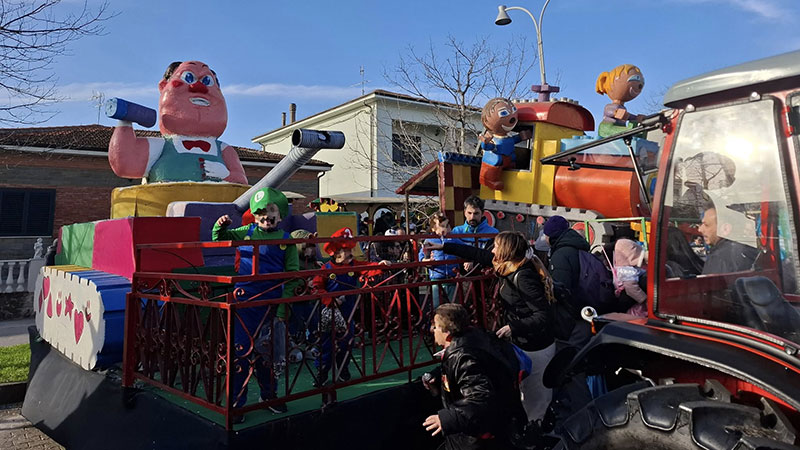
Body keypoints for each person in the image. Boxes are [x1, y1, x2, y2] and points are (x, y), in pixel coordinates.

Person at [424, 231, 556, 424]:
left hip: (536, 345)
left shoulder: (524, 276)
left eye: (496, 246)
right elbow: (477, 254)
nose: (492, 250)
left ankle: (540, 435)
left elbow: (544, 316)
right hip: (522, 342)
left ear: (506, 251)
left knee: (535, 401)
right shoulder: (506, 266)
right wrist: (444, 247)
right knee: (523, 395)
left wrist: (514, 327)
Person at [212, 187, 299, 418]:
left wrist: (282, 308)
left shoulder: (286, 240)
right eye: (260, 211)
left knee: (268, 354)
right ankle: (237, 404)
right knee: (240, 352)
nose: (265, 216)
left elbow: (292, 275)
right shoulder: (245, 232)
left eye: (271, 210)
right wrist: (220, 225)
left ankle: (269, 395)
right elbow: (219, 239)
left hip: (272, 302)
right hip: (245, 303)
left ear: (280, 214)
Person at [109, 61, 247, 183]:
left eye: (207, 81)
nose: (199, 87)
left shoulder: (223, 149)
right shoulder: (162, 146)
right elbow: (126, 164)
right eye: (188, 78)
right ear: (164, 86)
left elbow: (242, 180)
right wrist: (125, 123)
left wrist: (227, 175)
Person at [422, 303, 527, 450]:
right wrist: (438, 376)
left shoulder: (464, 356)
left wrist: (447, 418)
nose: (432, 331)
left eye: (436, 327)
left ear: (447, 332)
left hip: (478, 436)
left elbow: (480, 397)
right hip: (492, 427)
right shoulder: (474, 339)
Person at [311, 227, 389, 386]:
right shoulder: (326, 269)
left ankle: (343, 368)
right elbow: (317, 288)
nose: (350, 253)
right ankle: (322, 372)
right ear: (336, 252)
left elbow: (367, 268)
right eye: (346, 250)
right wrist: (330, 300)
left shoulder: (354, 265)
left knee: (346, 341)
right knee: (325, 343)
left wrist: (380, 265)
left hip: (348, 312)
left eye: (350, 249)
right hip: (329, 312)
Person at [478, 97, 532, 190]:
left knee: (511, 165)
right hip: (496, 160)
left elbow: (513, 140)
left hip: (508, 159)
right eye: (503, 113)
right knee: (493, 166)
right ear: (487, 121)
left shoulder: (508, 138)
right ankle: (488, 180)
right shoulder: (493, 139)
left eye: (514, 110)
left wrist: (521, 136)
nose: (512, 118)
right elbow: (489, 147)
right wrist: (485, 143)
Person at [698, 206, 758, 275]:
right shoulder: (751, 251)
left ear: (725, 229)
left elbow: (709, 284)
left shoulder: (719, 259)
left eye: (706, 225)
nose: (700, 229)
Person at [419, 212, 460, 308]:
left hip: (452, 276)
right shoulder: (429, 240)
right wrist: (425, 261)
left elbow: (464, 248)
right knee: (437, 305)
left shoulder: (453, 238)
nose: (444, 229)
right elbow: (421, 255)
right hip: (437, 277)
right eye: (441, 226)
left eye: (446, 226)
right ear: (433, 228)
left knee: (453, 304)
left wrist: (467, 259)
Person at [595, 64, 646, 138]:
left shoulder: (622, 108)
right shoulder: (610, 106)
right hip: (607, 128)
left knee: (636, 130)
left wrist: (636, 118)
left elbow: (627, 115)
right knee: (629, 131)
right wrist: (616, 113)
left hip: (619, 127)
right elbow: (610, 112)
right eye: (635, 78)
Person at [612, 239, 648, 317]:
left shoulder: (627, 268)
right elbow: (631, 288)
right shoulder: (626, 271)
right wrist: (644, 299)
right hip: (628, 298)